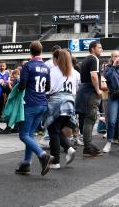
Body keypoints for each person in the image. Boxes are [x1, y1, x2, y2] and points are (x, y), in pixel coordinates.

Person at [15, 41, 53, 176]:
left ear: (30, 51)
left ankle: (43, 155)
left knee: (23, 135)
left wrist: (17, 85)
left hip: (30, 104)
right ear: (41, 51)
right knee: (30, 135)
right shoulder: (45, 67)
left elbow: (22, 85)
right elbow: (48, 87)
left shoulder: (28, 66)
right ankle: (26, 163)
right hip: (42, 104)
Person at [44, 49, 79, 169]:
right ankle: (69, 148)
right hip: (70, 103)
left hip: (57, 103)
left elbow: (49, 89)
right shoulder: (73, 72)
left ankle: (56, 161)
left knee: (53, 131)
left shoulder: (53, 71)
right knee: (57, 130)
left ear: (57, 59)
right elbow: (75, 90)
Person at [76, 41, 105, 157]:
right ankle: (88, 147)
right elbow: (93, 76)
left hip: (84, 92)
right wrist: (98, 90)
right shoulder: (94, 59)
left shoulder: (86, 59)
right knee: (90, 119)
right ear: (93, 49)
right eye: (99, 47)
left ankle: (88, 145)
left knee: (87, 119)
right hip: (89, 93)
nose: (101, 49)